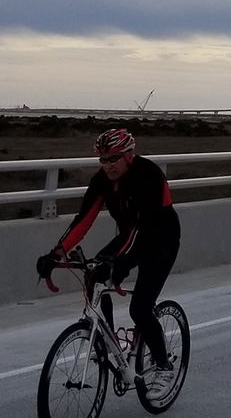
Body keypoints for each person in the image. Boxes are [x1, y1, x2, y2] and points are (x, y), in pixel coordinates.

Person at [35, 128, 182, 373]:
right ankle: (108, 341)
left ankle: (163, 365)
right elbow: (83, 220)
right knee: (95, 274)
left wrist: (116, 262)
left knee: (140, 309)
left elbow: (143, 227)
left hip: (160, 239)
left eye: (113, 158)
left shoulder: (149, 175)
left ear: (129, 155)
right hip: (130, 237)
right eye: (102, 159)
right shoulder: (102, 181)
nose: (107, 165)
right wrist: (55, 255)